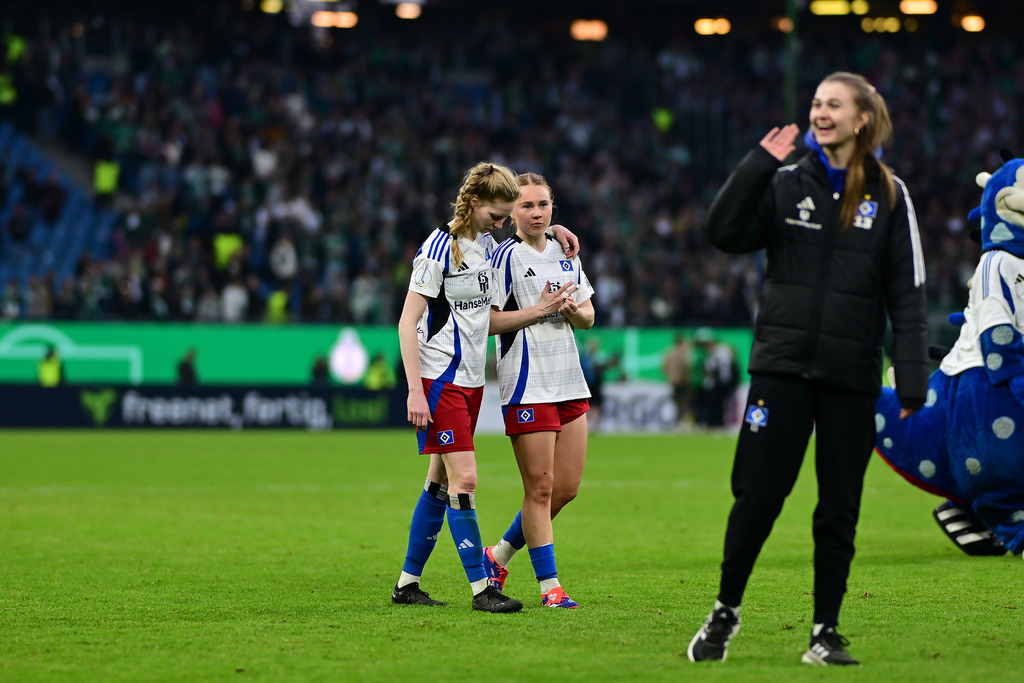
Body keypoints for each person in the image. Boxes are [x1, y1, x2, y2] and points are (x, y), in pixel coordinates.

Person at [687, 72, 929, 666]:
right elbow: (721, 233)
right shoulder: (784, 182)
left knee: (839, 508)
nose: (820, 112)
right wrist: (756, 164)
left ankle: (824, 632)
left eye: (833, 105)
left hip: (851, 376)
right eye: (817, 103)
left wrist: (913, 379)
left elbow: (909, 295)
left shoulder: (892, 195)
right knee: (758, 497)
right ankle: (724, 612)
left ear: (862, 118)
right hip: (782, 369)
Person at [391, 161, 578, 612]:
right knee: (466, 478)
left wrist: (555, 232)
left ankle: (407, 584)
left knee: (439, 481)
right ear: (474, 203)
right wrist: (415, 390)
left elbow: (524, 245)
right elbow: (407, 321)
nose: (501, 223)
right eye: (497, 215)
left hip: (472, 381)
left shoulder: (487, 247)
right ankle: (483, 589)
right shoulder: (438, 249)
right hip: (440, 379)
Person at [482, 172, 596, 609]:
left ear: (553, 208)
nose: (535, 212)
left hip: (568, 378)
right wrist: (538, 310)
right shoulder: (504, 257)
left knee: (565, 489)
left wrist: (568, 310)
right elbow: (488, 321)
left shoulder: (566, 254)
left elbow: (588, 317)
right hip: (528, 383)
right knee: (541, 490)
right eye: (526, 205)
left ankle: (498, 555)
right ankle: (551, 589)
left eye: (543, 205)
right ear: (511, 211)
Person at [663, 334, 693, 429]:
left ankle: (677, 421)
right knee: (684, 402)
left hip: (673, 381)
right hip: (683, 381)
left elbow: (664, 367)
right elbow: (687, 367)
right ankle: (682, 421)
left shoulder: (669, 353)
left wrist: (669, 376)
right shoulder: (683, 353)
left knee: (677, 402)